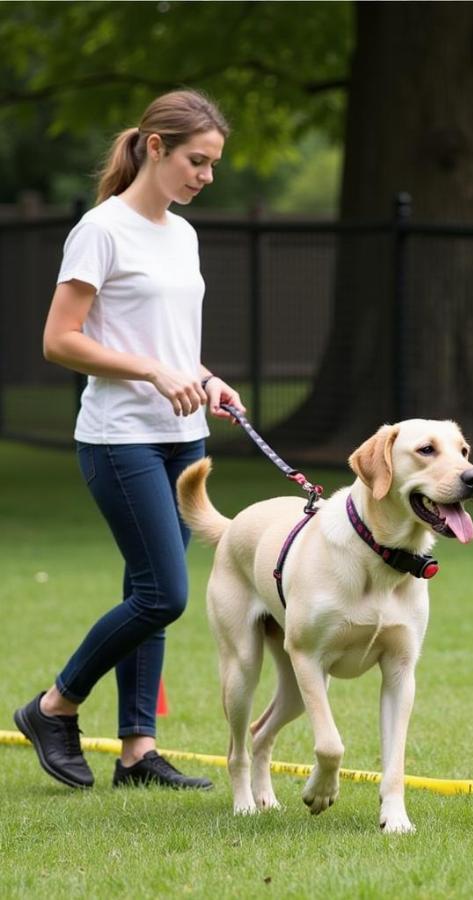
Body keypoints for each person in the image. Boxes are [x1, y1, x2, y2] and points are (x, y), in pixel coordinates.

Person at [13, 89, 244, 791]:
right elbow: (60, 340)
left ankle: (138, 752)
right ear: (155, 147)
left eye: (212, 165)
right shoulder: (101, 230)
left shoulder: (184, 233)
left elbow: (168, 342)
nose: (204, 176)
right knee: (164, 594)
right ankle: (54, 707)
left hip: (185, 436)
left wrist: (206, 379)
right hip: (121, 440)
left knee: (148, 588)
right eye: (195, 161)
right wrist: (149, 371)